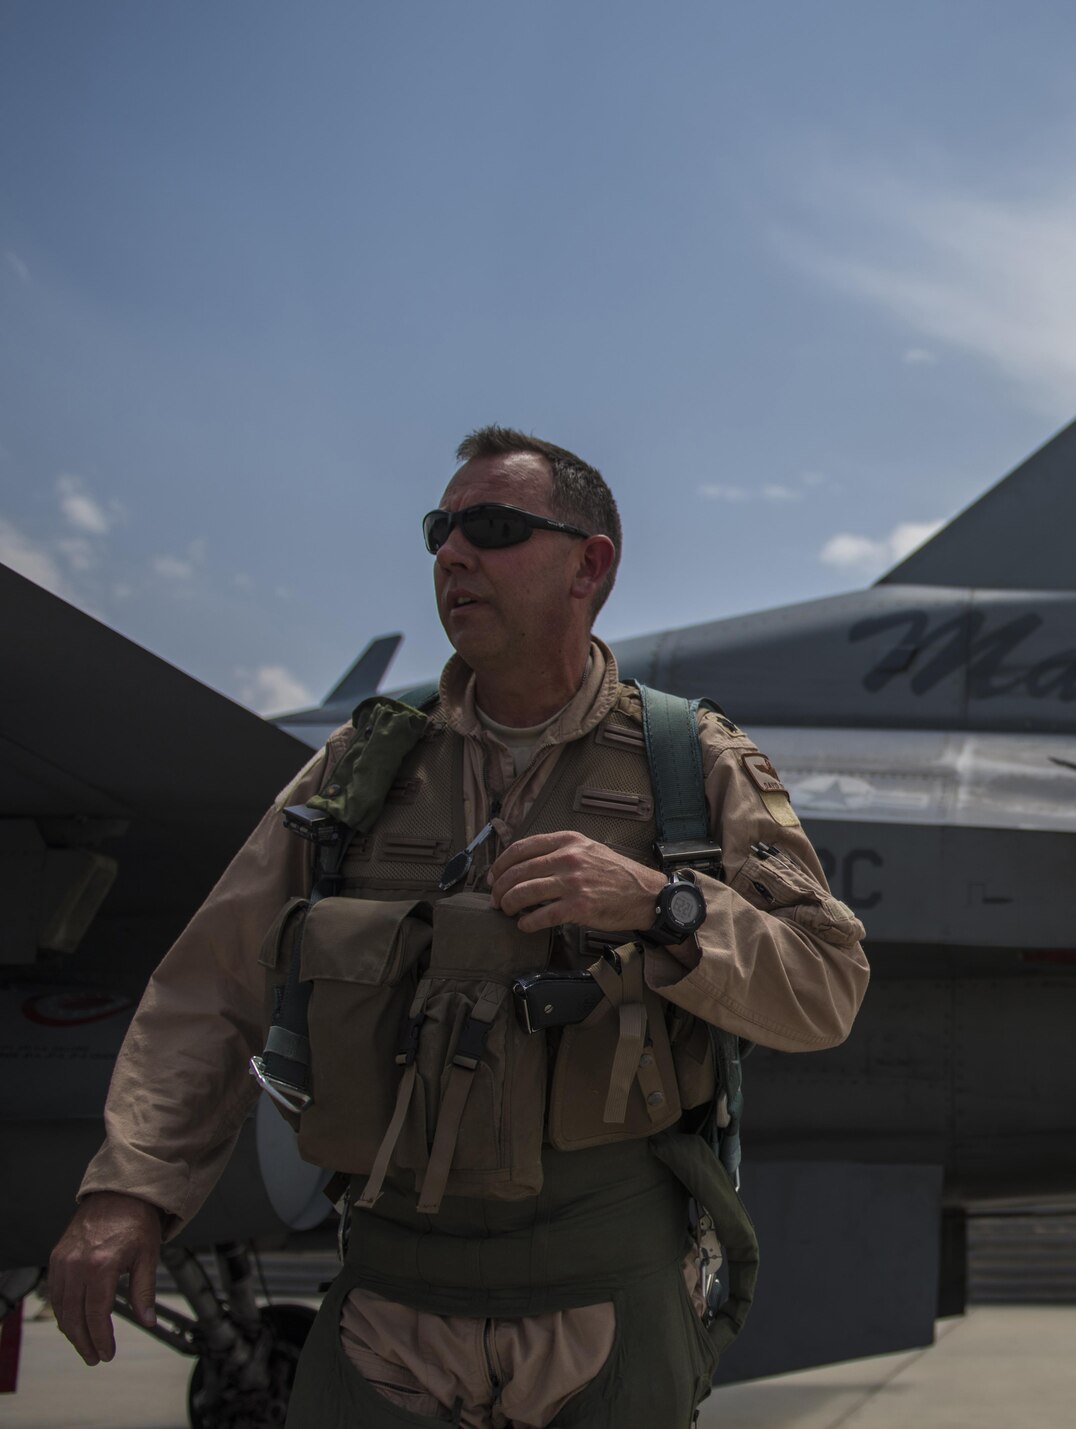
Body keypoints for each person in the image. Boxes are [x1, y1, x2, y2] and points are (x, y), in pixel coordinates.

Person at [47, 427, 870, 1426]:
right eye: (441, 529)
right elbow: (210, 989)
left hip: (603, 1301)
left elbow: (825, 986)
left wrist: (661, 904)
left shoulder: (687, 763)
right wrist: (129, 1191)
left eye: (491, 526)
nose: (451, 554)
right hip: (391, 1307)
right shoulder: (363, 769)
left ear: (589, 563)